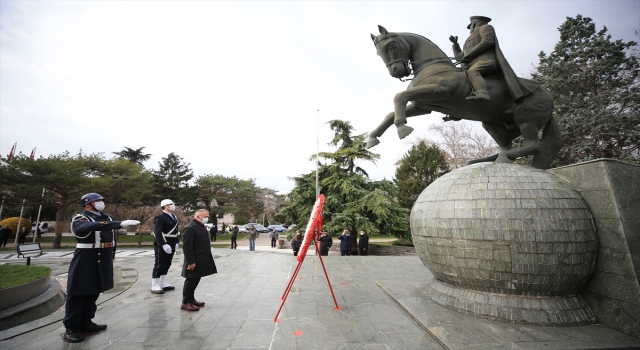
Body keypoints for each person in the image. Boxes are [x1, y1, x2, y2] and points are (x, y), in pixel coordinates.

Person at [63, 193, 140, 343]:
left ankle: (86, 321)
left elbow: (112, 239)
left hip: (103, 258)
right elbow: (89, 227)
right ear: (87, 204)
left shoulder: (109, 217)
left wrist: (111, 256)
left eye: (100, 200)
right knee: (78, 293)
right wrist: (119, 223)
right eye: (97, 201)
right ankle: (71, 327)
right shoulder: (79, 219)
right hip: (86, 258)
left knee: (94, 291)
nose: (100, 203)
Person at [449, 16, 523, 102]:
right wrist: (455, 44)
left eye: (470, 26)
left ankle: (482, 92)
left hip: (487, 61)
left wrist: (470, 54)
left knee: (473, 71)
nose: (470, 29)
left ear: (474, 24)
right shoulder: (467, 41)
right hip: (470, 65)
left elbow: (488, 41)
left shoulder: (485, 27)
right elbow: (460, 57)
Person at [181, 209, 217, 311]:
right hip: (194, 259)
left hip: (201, 258)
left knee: (196, 279)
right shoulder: (190, 228)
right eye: (205, 217)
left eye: (207, 216)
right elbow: (187, 247)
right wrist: (191, 262)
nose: (207, 218)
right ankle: (186, 302)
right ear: (197, 216)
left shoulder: (200, 226)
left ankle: (191, 299)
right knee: (191, 280)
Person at [150, 199, 180, 295]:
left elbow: (176, 231)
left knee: (167, 263)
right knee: (159, 264)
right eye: (171, 204)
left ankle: (163, 283)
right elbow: (158, 232)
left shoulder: (174, 217)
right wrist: (163, 244)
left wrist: (176, 242)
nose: (173, 206)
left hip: (171, 241)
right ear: (165, 206)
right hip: (162, 243)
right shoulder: (160, 217)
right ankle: (155, 285)